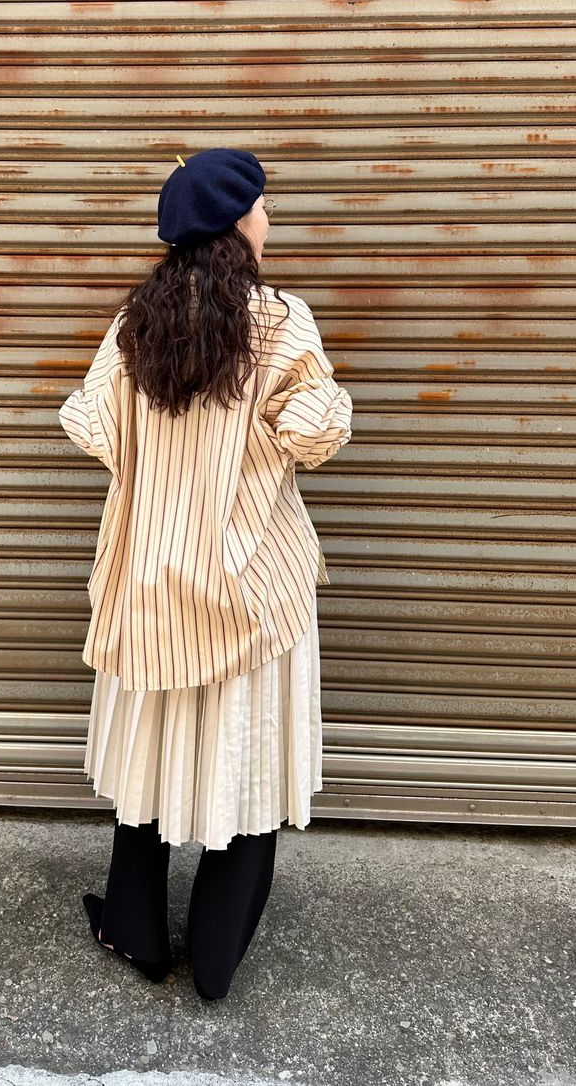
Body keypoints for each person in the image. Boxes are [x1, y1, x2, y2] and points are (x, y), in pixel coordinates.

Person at [58, 148, 353, 1000]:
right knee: (249, 763)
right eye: (263, 205)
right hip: (252, 587)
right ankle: (216, 963)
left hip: (151, 581)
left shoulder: (135, 325)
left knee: (149, 763)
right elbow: (318, 436)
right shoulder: (282, 322)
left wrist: (163, 460)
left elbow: (89, 425)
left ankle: (136, 934)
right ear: (235, 221)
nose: (269, 219)